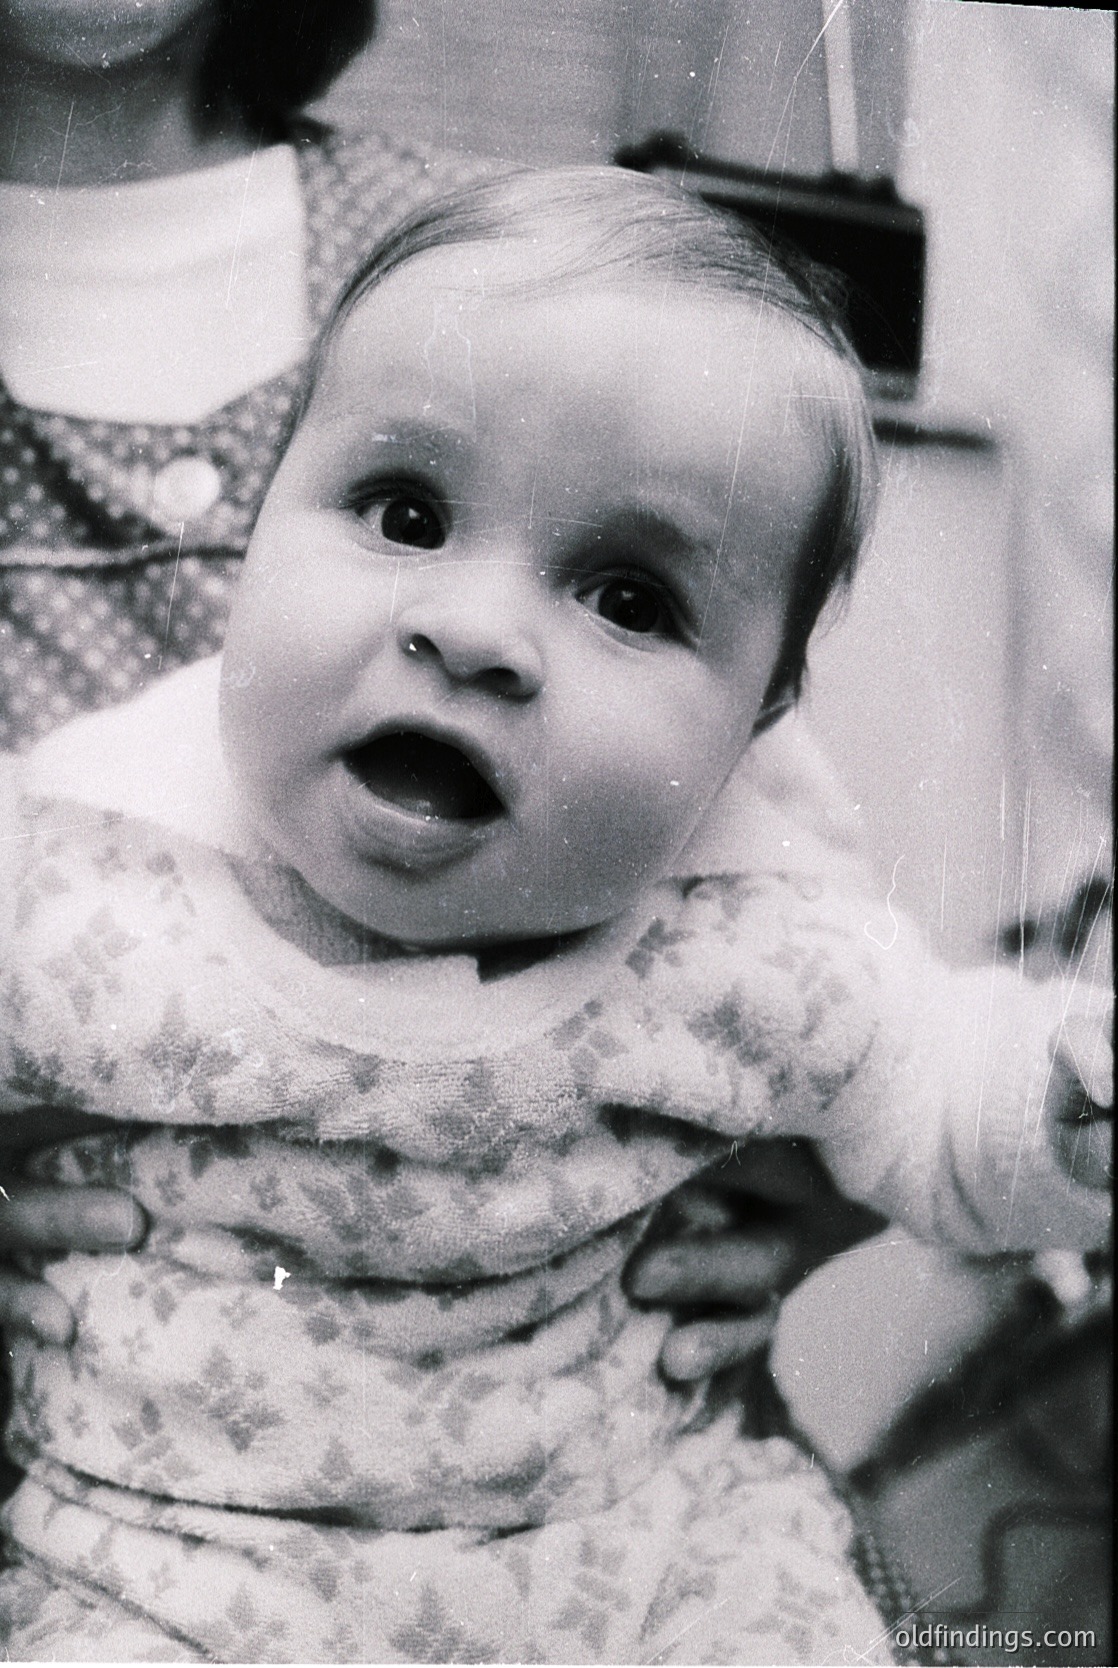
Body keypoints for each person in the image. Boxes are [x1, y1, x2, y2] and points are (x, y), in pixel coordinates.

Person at [0, 167, 1108, 1663]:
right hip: (170, 1571)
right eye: (406, 514)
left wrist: (1059, 1113)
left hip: (639, 1557)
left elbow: (937, 1091)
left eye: (629, 601)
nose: (474, 633)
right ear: (256, 533)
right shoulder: (76, 886)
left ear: (753, 726)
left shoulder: (728, 945)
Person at [0, 0, 883, 1393]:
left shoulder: (481, 254)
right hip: (87, 1404)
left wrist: (845, 1162)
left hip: (546, 1385)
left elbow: (772, 843)